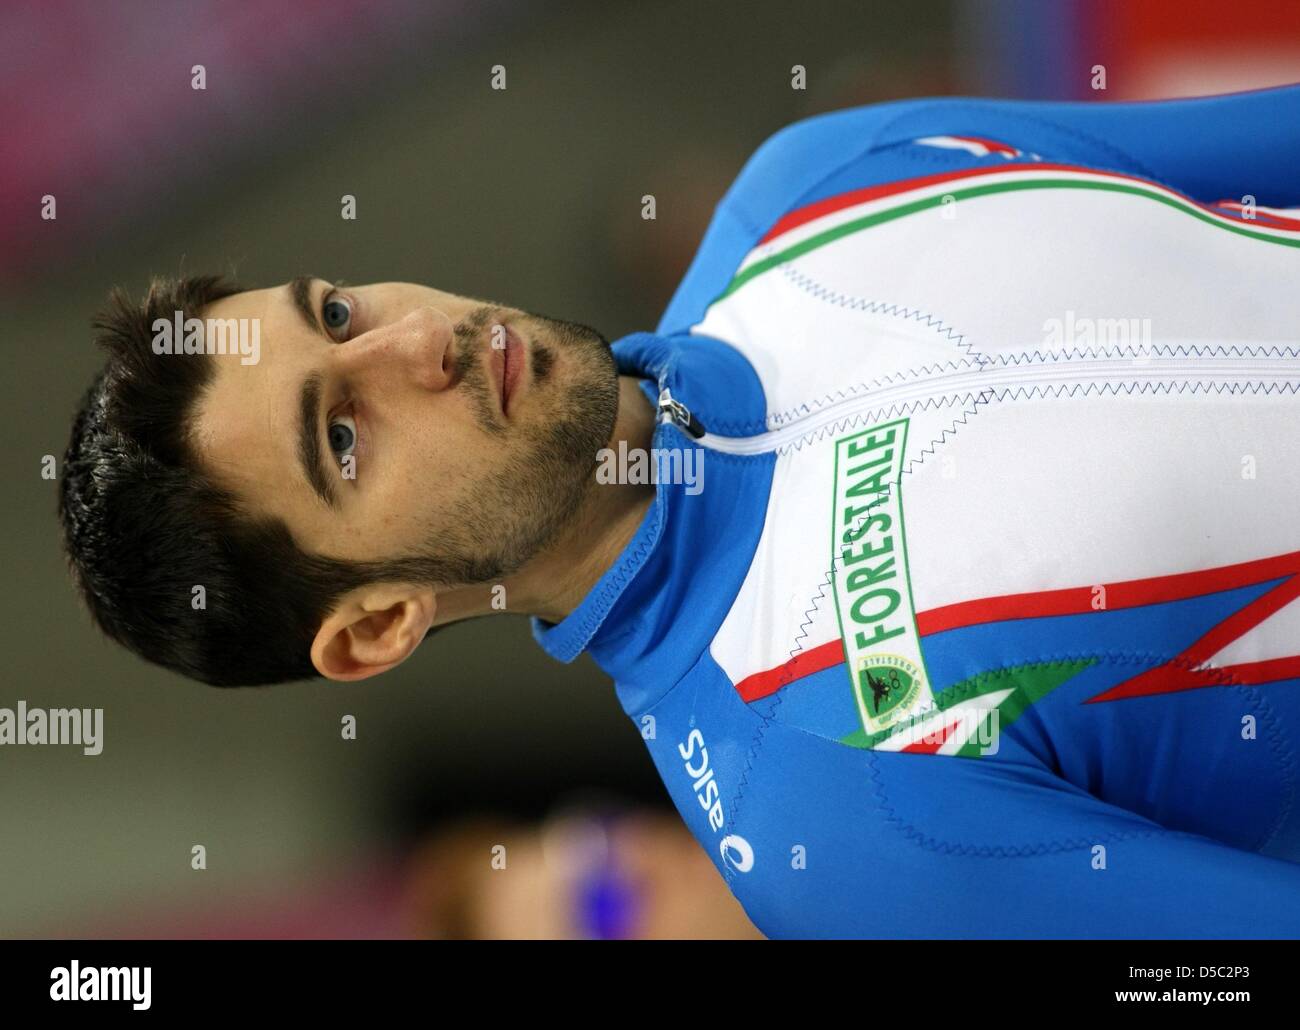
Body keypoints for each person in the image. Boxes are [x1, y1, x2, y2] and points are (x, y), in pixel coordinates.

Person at [59, 84, 1300, 937]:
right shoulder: (826, 818)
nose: (420, 338)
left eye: (336, 311)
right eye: (343, 433)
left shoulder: (807, 185)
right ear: (378, 623)